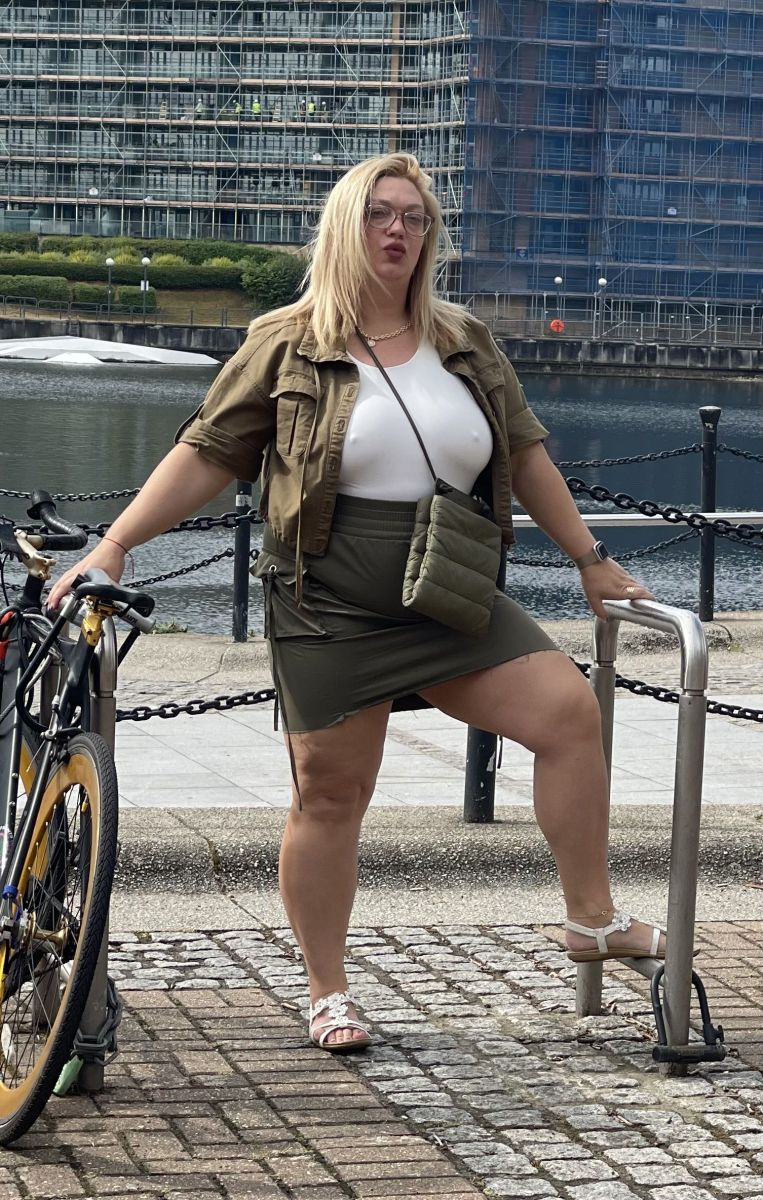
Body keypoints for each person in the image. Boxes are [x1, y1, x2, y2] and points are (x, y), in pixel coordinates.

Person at [48, 153, 664, 1056]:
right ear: (346, 225)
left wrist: (590, 560)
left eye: (414, 217)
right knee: (332, 794)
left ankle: (590, 918)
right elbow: (209, 453)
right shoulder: (287, 340)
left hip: (446, 586)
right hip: (325, 596)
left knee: (568, 713)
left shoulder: (464, 341)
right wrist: (116, 544)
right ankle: (327, 990)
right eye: (379, 213)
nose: (397, 230)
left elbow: (525, 452)